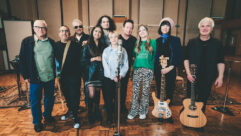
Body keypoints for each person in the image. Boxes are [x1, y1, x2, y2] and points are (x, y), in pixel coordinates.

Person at [19, 20, 56, 132]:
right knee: (35, 100)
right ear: (34, 28)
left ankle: (48, 115)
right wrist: (25, 75)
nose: (40, 30)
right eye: (38, 27)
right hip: (35, 78)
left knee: (49, 98)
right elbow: (22, 60)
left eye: (43, 28)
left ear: (46, 29)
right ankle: (37, 122)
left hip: (50, 77)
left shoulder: (52, 42)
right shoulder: (27, 42)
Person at [184, 17, 225, 113]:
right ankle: (188, 117)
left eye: (208, 26)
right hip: (192, 76)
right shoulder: (192, 42)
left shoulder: (217, 43)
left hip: (208, 77)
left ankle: (199, 119)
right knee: (190, 99)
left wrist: (220, 77)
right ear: (199, 28)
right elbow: (186, 59)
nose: (205, 28)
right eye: (202, 26)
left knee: (203, 100)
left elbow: (220, 61)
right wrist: (188, 73)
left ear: (212, 29)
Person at [127, 25, 156, 120]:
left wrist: (151, 68)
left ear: (147, 31)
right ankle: (134, 110)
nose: (142, 32)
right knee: (135, 92)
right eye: (140, 31)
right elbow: (134, 56)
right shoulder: (137, 42)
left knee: (145, 92)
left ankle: (143, 111)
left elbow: (154, 56)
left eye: (144, 30)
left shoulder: (153, 42)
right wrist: (135, 67)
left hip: (148, 70)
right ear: (138, 33)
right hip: (137, 69)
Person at [55, 25, 81, 128]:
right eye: (62, 31)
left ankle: (75, 117)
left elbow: (80, 61)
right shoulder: (56, 45)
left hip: (74, 76)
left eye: (66, 31)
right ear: (59, 33)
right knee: (67, 96)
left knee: (74, 96)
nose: (64, 33)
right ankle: (70, 111)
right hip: (62, 77)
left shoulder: (75, 45)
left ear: (69, 33)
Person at [154, 17, 183, 107]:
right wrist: (158, 68)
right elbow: (155, 56)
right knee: (159, 90)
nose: (165, 27)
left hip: (171, 68)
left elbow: (178, 56)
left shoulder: (176, 40)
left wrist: (170, 67)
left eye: (167, 26)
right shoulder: (157, 41)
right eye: (163, 25)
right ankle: (160, 111)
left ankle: (168, 112)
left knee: (170, 90)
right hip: (159, 69)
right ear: (160, 27)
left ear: (170, 28)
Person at [102, 31, 129, 124]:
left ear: (118, 38)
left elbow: (126, 64)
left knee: (118, 98)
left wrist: (121, 74)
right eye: (111, 37)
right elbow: (105, 65)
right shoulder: (106, 51)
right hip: (109, 79)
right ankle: (109, 117)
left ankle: (117, 116)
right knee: (109, 98)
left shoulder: (123, 50)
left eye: (115, 37)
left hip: (120, 77)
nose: (113, 39)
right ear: (109, 40)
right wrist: (113, 76)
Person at [82, 26, 107, 124]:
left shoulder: (103, 45)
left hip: (100, 72)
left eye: (100, 32)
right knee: (91, 94)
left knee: (97, 93)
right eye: (96, 31)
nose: (97, 33)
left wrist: (102, 59)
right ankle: (90, 112)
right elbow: (83, 60)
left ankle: (97, 111)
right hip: (90, 73)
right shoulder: (87, 45)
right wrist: (94, 59)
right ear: (92, 32)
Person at [119, 19, 137, 114]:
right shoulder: (117, 38)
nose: (129, 30)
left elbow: (136, 53)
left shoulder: (134, 40)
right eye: (127, 27)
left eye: (131, 28)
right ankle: (115, 105)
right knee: (116, 87)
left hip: (127, 68)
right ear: (123, 27)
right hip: (117, 67)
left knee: (124, 87)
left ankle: (122, 105)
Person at [71, 19, 89, 107]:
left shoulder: (89, 38)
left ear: (83, 26)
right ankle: (75, 107)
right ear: (73, 28)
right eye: (76, 27)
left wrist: (89, 43)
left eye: (80, 26)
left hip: (86, 66)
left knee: (87, 88)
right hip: (74, 68)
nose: (78, 28)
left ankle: (88, 106)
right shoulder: (70, 39)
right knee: (75, 88)